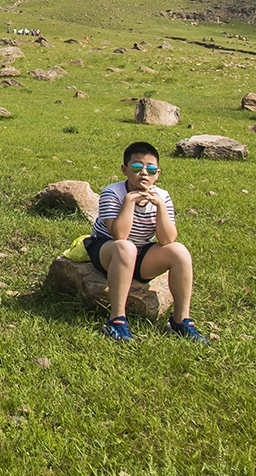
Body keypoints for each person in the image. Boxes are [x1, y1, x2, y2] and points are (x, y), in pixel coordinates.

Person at [87, 142, 207, 343]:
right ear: (124, 170)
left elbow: (167, 239)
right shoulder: (113, 193)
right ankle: (116, 320)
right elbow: (119, 235)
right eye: (136, 167)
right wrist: (129, 202)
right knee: (126, 247)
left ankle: (180, 321)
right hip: (109, 250)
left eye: (150, 169)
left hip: (140, 253)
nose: (144, 173)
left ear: (157, 174)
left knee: (179, 251)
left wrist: (160, 206)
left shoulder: (162, 196)